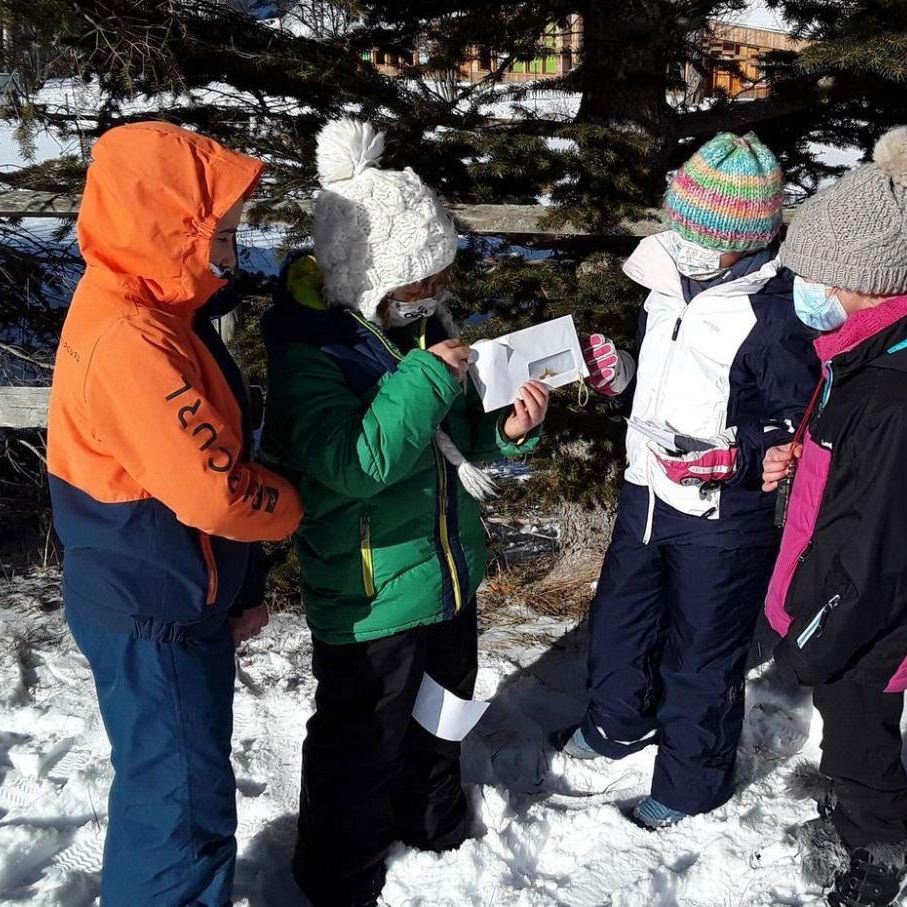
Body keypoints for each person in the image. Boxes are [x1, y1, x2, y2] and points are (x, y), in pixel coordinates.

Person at [259, 118, 548, 907]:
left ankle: (432, 819)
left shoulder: (412, 330)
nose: (437, 296)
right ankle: (337, 872)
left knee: (443, 710)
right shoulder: (312, 356)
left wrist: (506, 428)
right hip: (371, 593)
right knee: (362, 738)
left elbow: (445, 439)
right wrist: (424, 379)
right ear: (372, 275)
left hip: (444, 573)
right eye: (422, 283)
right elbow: (356, 463)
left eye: (439, 279)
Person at [46, 122, 303, 906]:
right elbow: (215, 490)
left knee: (174, 785)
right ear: (170, 227)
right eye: (219, 231)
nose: (230, 248)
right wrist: (292, 504)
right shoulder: (132, 339)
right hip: (152, 612)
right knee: (180, 815)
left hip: (168, 598)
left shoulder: (153, 309)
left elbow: (200, 458)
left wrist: (241, 584)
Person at [762, 127, 907, 906]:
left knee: (863, 726)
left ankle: (880, 840)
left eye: (812, 274)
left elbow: (881, 551)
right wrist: (809, 463)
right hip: (842, 594)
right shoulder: (872, 354)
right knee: (848, 715)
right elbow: (863, 483)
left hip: (863, 613)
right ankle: (849, 791)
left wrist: (813, 635)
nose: (801, 288)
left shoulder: (903, 397)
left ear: (863, 279)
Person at [562, 132, 819, 828]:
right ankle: (616, 723)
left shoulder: (775, 311)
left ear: (747, 237)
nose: (688, 242)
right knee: (621, 621)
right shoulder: (665, 281)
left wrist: (733, 460)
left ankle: (688, 785)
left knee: (701, 655)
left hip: (721, 518)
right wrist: (621, 376)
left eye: (704, 234)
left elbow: (793, 420)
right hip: (646, 489)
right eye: (683, 225)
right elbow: (667, 382)